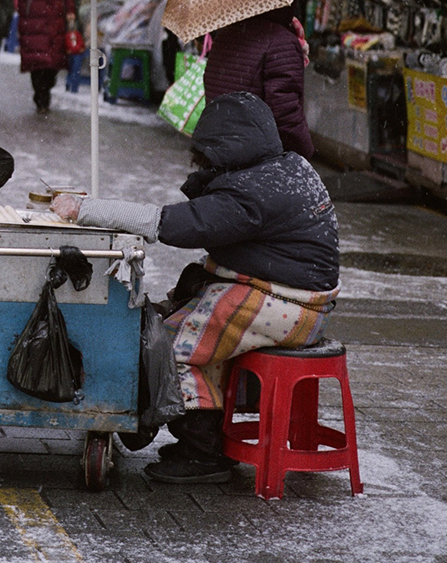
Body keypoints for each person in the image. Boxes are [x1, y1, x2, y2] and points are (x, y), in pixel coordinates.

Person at [57, 93, 340, 484]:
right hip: (299, 294)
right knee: (185, 310)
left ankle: (202, 454)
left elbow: (172, 225)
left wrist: (86, 209)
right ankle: (192, 432)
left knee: (172, 347)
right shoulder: (287, 167)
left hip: (287, 302)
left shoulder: (252, 192)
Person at [203, 7, 315, 161]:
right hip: (257, 160)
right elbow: (285, 115)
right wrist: (305, 152)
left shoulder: (225, 34)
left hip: (220, 152)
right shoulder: (280, 41)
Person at [15, 0, 74, 113]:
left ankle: (44, 93)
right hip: (34, 19)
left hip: (54, 19)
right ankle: (41, 97)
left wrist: (70, 10)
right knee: (37, 62)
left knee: (53, 62)